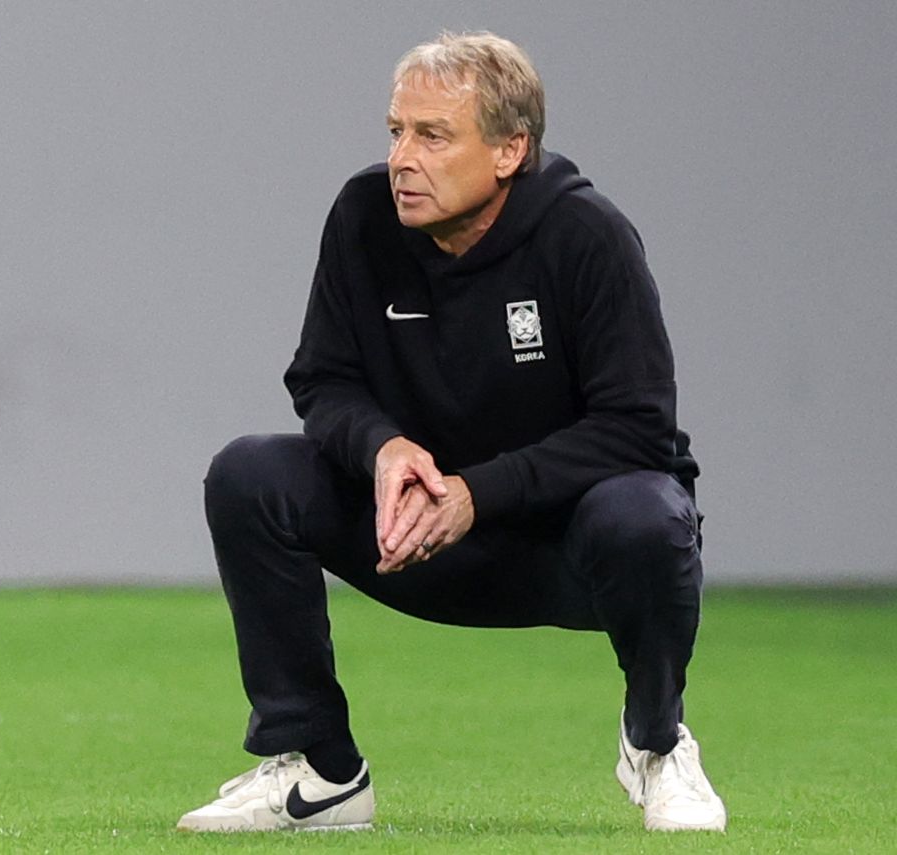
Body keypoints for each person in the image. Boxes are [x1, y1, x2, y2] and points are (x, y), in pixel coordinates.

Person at [177, 31, 726, 834]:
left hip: (563, 548)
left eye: (433, 136)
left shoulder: (588, 237)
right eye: (397, 131)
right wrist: (383, 449)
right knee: (250, 474)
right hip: (415, 534)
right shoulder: (363, 217)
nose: (404, 157)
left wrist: (479, 492)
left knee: (647, 515)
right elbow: (323, 379)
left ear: (510, 150)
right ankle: (319, 768)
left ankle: (656, 741)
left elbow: (638, 429)